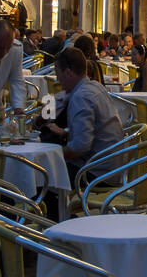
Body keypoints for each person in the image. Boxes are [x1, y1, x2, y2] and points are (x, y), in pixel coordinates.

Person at [40, 47, 124, 181]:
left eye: (58, 73)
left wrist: (49, 155)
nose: (57, 80)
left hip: (94, 173)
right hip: (113, 166)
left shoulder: (81, 97)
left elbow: (79, 147)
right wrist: (66, 132)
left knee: (40, 173)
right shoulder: (96, 86)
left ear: (68, 73)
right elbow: (95, 129)